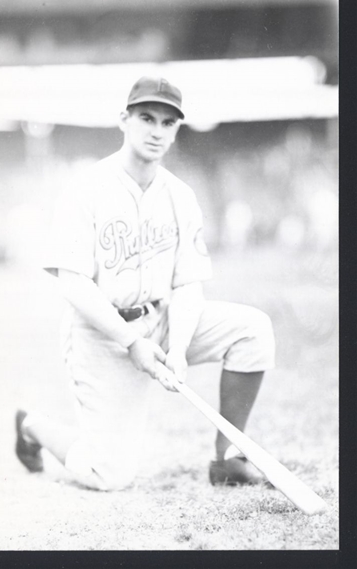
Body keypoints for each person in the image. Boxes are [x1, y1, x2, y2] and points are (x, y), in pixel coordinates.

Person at [15, 76, 275, 491]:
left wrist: (179, 348)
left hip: (161, 320)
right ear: (125, 119)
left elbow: (189, 284)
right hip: (101, 333)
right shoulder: (87, 187)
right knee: (108, 475)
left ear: (176, 130)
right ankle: (33, 426)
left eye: (168, 123)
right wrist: (130, 341)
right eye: (147, 118)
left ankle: (227, 456)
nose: (157, 131)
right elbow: (72, 282)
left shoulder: (180, 196)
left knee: (253, 329)